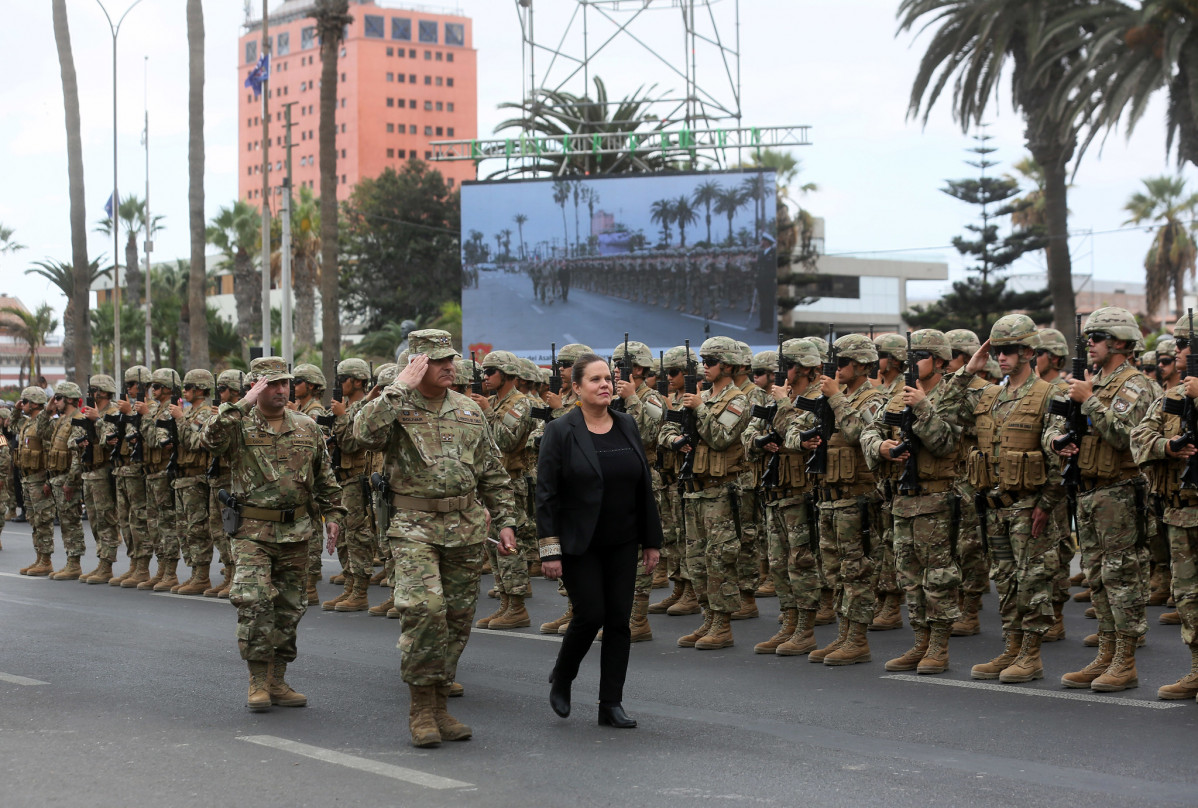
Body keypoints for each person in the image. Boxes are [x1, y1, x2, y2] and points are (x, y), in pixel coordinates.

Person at [352, 329, 519, 748]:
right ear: (418, 365)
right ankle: (421, 710)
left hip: (464, 526)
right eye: (439, 361)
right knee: (424, 609)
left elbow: (492, 471)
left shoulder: (468, 409)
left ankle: (441, 704)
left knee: (458, 618)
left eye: (452, 359)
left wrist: (506, 521)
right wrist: (397, 388)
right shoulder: (396, 404)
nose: (451, 366)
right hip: (412, 526)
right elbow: (361, 434)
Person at [200, 356, 345, 712]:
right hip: (252, 532)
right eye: (271, 384)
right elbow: (209, 439)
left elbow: (324, 477)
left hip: (296, 531)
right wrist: (244, 402)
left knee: (290, 607)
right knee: (253, 600)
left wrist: (334, 514)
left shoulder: (307, 427)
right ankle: (257, 681)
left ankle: (278, 678)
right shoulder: (238, 425)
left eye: (285, 383)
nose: (281, 390)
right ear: (257, 387)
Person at [537, 352, 663, 729]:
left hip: (623, 540)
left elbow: (643, 485)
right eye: (595, 379)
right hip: (580, 542)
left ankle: (611, 703)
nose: (605, 384)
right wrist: (549, 549)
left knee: (619, 622)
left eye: (608, 378)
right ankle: (563, 676)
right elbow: (546, 494)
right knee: (590, 614)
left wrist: (651, 540)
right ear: (576, 388)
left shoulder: (626, 424)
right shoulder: (561, 430)